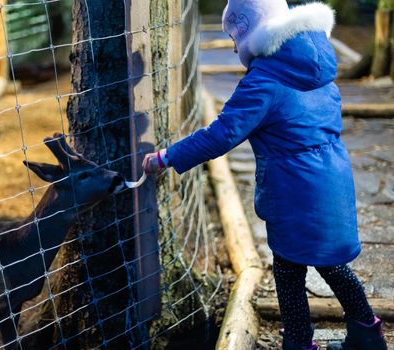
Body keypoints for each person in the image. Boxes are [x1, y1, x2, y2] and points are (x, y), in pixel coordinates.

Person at [142, 1, 389, 350]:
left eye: (234, 37)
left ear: (251, 32)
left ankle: (300, 343)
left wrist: (168, 156)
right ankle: (367, 334)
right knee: (332, 263)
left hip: (294, 188)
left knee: (289, 271)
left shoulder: (264, 80)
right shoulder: (317, 64)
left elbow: (222, 134)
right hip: (332, 177)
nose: (232, 46)